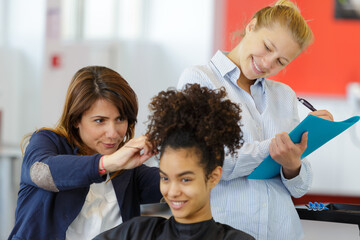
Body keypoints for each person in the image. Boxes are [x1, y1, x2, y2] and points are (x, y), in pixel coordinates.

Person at [177, 1, 334, 239]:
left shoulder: (284, 95)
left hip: (282, 231)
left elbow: (300, 188)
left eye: (281, 61)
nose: (268, 63)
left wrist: (292, 164)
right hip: (226, 230)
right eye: (268, 47)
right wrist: (276, 149)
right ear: (251, 26)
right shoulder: (199, 79)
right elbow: (208, 160)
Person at [8, 66, 162, 240]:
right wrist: (106, 163)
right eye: (99, 121)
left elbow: (176, 183)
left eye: (120, 119)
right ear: (75, 120)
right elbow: (41, 172)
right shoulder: (47, 141)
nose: (113, 133)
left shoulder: (129, 170)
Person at [94, 84, 255, 240]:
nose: (172, 192)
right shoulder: (136, 233)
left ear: (213, 176)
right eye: (165, 178)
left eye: (185, 179)